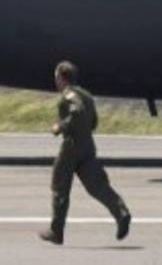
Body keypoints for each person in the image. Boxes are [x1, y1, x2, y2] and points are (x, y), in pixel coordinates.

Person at [39, 60, 131, 245]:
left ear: (62, 78)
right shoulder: (87, 95)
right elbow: (94, 122)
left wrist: (61, 125)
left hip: (71, 147)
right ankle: (121, 213)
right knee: (97, 185)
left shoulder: (69, 95)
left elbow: (77, 110)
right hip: (88, 145)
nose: (56, 81)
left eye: (56, 77)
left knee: (60, 187)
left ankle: (56, 232)